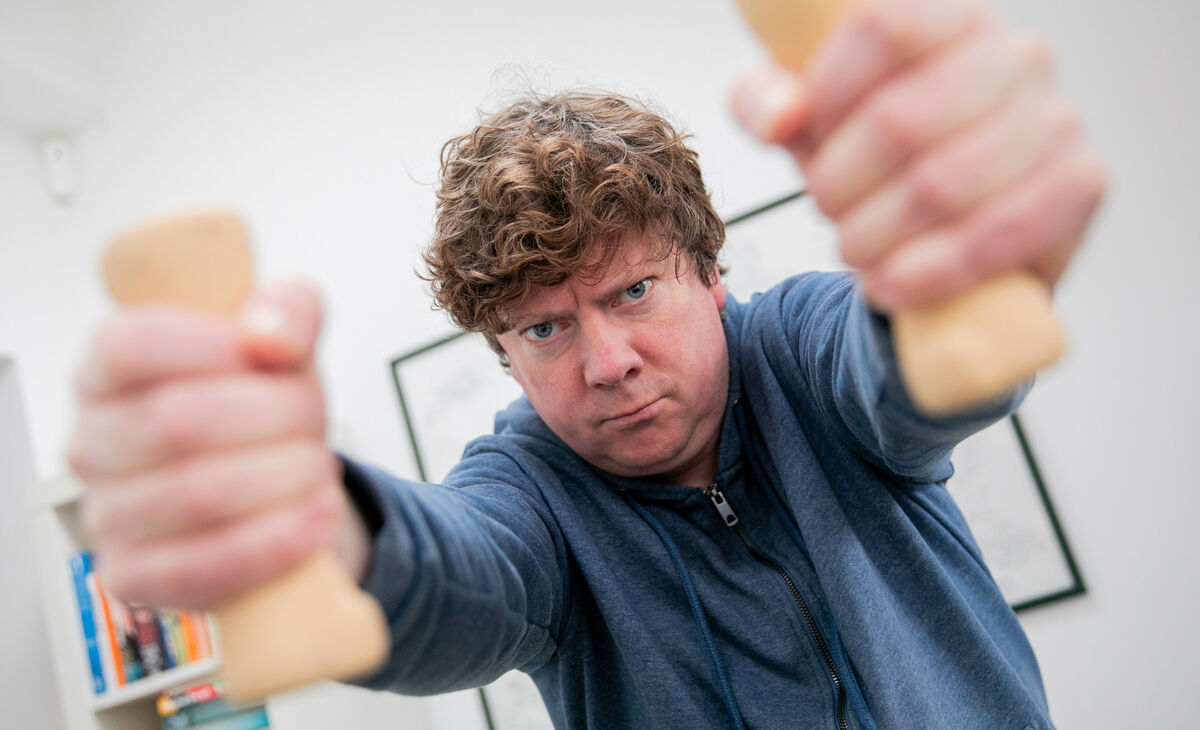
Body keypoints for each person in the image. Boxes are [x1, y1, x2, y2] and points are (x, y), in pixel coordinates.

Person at [68, 0, 1105, 727]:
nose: (607, 360)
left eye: (633, 292)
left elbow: (917, 378)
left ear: (710, 275)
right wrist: (315, 523)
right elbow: (454, 580)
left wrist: (963, 268)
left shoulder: (799, 345)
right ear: (504, 355)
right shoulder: (527, 489)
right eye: (547, 329)